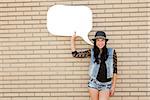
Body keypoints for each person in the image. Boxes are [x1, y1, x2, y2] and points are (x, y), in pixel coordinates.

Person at [71, 31, 117, 100]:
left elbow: (115, 70)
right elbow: (75, 54)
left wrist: (113, 86)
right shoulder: (92, 52)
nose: (100, 42)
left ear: (105, 41)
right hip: (94, 83)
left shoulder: (111, 52)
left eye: (102, 40)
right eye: (98, 40)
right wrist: (72, 40)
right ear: (95, 42)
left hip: (106, 85)